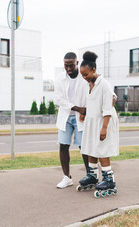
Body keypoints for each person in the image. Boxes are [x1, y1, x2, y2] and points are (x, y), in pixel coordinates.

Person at [78, 51, 119, 198]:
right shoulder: (91, 84)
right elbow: (93, 103)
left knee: (102, 149)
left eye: (86, 74)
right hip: (92, 120)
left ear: (93, 70)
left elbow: (107, 108)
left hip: (103, 120)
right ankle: (93, 175)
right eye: (82, 75)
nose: (84, 77)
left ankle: (109, 179)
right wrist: (84, 113)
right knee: (90, 147)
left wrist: (104, 128)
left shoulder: (104, 84)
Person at [54, 52, 90, 189]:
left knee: (84, 146)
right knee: (63, 145)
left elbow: (91, 93)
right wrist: (78, 108)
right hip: (65, 116)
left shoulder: (84, 76)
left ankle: (90, 175)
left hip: (82, 117)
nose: (68, 69)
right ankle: (66, 177)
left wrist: (84, 110)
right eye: (66, 65)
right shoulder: (59, 78)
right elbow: (59, 99)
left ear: (77, 62)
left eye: (71, 65)